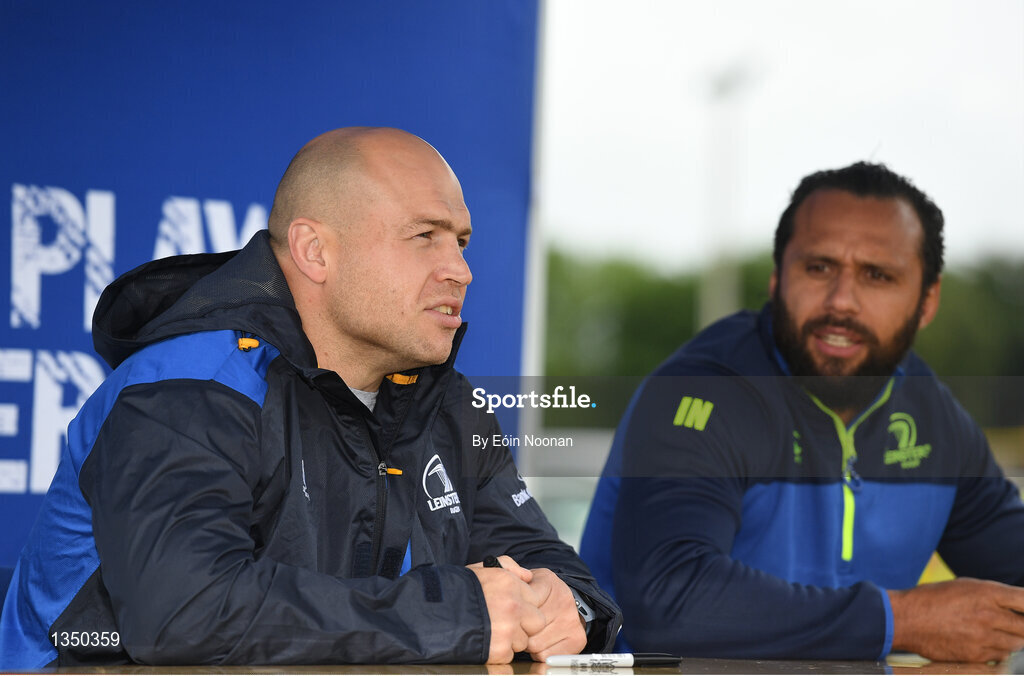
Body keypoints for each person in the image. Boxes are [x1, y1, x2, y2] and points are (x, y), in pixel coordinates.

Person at [0, 127, 620, 667]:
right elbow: (184, 614)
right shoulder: (188, 386)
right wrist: (457, 613)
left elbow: (557, 569)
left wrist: (572, 611)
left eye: (460, 240)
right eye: (425, 236)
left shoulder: (448, 408)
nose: (460, 269)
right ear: (315, 250)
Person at [580, 161, 1024, 662]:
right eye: (819, 268)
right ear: (777, 278)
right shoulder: (704, 390)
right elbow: (670, 602)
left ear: (927, 300)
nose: (841, 302)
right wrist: (902, 620)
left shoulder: (934, 418)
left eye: (878, 276)